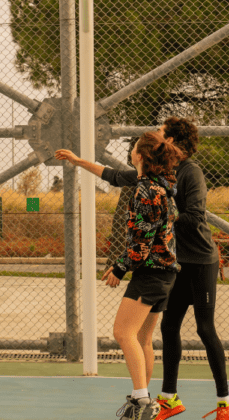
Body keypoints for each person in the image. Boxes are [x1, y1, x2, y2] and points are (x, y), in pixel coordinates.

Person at [76, 118, 229, 420]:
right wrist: (78, 161)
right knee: (165, 329)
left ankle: (222, 400)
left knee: (200, 329)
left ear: (173, 141)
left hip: (196, 260)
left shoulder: (185, 175)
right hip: (171, 262)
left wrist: (161, 218)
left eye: (162, 134)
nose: (157, 137)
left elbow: (190, 217)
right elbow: (116, 176)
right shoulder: (159, 176)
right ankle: (166, 398)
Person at [56, 132, 183, 420]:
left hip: (150, 274)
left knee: (122, 332)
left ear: (140, 155)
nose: (131, 150)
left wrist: (119, 267)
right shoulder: (157, 184)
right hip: (165, 275)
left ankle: (142, 401)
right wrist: (78, 161)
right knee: (143, 338)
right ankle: (144, 397)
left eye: (134, 147)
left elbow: (142, 240)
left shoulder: (145, 192)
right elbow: (111, 174)